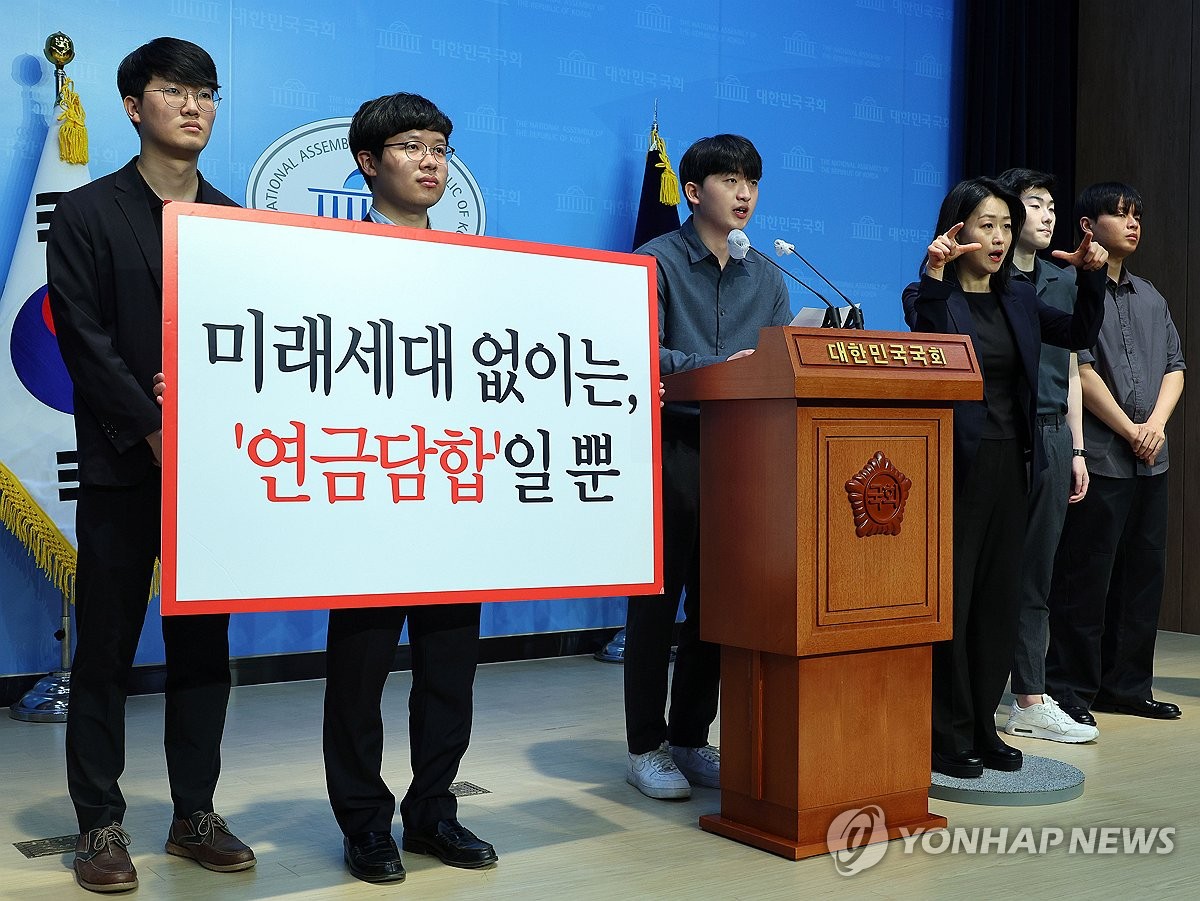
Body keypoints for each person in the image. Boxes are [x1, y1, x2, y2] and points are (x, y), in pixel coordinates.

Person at [47, 37, 255, 894]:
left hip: (214, 475)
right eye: (176, 90)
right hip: (124, 470)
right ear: (135, 107)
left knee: (204, 649)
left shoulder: (234, 216)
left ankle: (192, 813)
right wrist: (153, 426)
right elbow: (85, 342)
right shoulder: (88, 212)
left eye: (206, 91)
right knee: (104, 650)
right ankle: (99, 822)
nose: (195, 105)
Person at [322, 92, 497, 882]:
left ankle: (432, 812)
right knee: (358, 674)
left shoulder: (481, 269)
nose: (431, 160)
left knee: (449, 672)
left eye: (440, 146)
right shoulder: (325, 258)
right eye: (411, 146)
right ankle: (364, 822)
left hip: (454, 496)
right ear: (368, 161)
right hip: (365, 498)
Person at [903, 177, 1108, 779]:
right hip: (956, 467)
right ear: (956, 229)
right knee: (957, 600)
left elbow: (1075, 335)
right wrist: (938, 275)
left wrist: (1091, 277)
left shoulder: (1018, 296)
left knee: (997, 602)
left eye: (1003, 225)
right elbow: (931, 345)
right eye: (985, 225)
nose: (998, 237)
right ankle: (946, 731)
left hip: (1013, 462)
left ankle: (983, 728)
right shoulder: (926, 293)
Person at [624, 134, 792, 799]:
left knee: (719, 606)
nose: (745, 193)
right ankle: (645, 745)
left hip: (746, 453)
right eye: (730, 180)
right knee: (657, 607)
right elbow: (640, 351)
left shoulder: (770, 274)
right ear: (693, 192)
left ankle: (692, 737)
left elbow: (782, 357)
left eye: (752, 180)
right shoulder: (654, 261)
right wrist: (722, 373)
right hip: (673, 446)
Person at [1045, 183, 1185, 722]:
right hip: (1102, 456)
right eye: (1119, 214)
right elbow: (1078, 367)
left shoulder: (1151, 296)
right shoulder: (1069, 289)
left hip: (1152, 459)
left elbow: (1176, 367)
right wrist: (1130, 429)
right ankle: (1072, 690)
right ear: (1088, 226)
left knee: (1141, 577)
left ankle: (1127, 686)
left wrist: (1154, 427)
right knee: (1086, 577)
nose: (1133, 224)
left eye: (1137, 216)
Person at [991, 169, 1099, 744]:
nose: (1048, 215)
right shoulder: (989, 280)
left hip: (1057, 434)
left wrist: (1079, 449)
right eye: (1035, 205)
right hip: (1005, 434)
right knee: (991, 569)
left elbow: (1076, 372)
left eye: (1052, 206)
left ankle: (1030, 697)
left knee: (1038, 572)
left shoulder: (1064, 281)